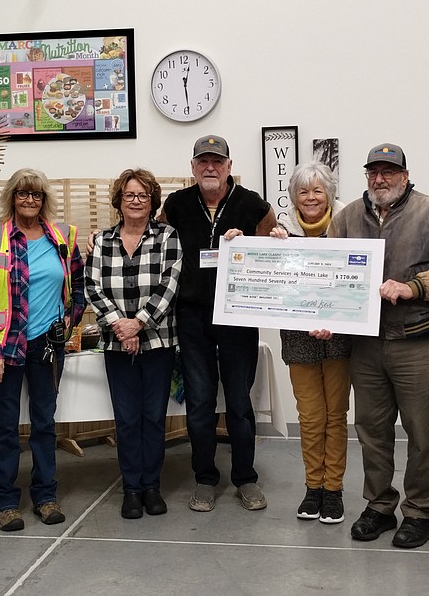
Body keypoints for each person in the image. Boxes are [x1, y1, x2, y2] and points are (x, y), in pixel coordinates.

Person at [329, 143, 429, 548]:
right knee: (371, 431)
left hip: (418, 342)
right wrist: (323, 314)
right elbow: (327, 268)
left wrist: (413, 287)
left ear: (405, 176)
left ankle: (421, 511)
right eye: (373, 171)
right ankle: (379, 505)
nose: (380, 179)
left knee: (421, 431)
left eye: (389, 172)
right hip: (367, 345)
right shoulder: (348, 217)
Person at [161, 134, 277, 512]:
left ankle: (245, 477)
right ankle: (205, 478)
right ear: (193, 167)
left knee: (240, 403)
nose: (210, 168)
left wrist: (251, 245)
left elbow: (274, 252)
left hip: (238, 315)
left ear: (229, 166)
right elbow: (153, 243)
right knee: (199, 402)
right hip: (191, 316)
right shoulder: (176, 205)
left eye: (217, 162)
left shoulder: (252, 204)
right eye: (203, 162)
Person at [0, 167, 85, 530]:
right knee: (6, 427)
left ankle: (46, 497)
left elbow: (78, 285)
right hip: (6, 346)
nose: (29, 200)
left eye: (36, 195)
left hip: (48, 347)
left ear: (44, 200)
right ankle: (6, 502)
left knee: (44, 424)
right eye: (22, 194)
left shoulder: (62, 237)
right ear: (12, 197)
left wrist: (68, 323)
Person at [86, 168, 181, 519]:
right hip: (116, 345)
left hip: (158, 341)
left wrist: (138, 324)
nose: (136, 201)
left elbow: (170, 284)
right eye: (130, 195)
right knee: (126, 420)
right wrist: (120, 327)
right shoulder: (102, 241)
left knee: (154, 418)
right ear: (119, 201)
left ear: (153, 201)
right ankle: (131, 488)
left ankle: (152, 487)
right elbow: (92, 287)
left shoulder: (168, 236)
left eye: (143, 195)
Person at [268, 162, 352, 525]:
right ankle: (312, 488)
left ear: (330, 194)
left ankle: (333, 490)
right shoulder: (280, 236)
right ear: (294, 198)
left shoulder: (348, 231)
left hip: (339, 338)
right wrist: (264, 251)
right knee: (310, 416)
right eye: (304, 191)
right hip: (298, 338)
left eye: (318, 190)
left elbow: (355, 285)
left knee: (336, 415)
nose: (311, 197)